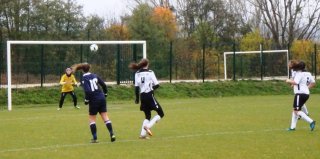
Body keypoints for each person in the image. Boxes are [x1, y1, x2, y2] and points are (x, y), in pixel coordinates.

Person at [71, 63, 116, 143]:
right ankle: (112, 133)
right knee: (105, 117)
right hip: (101, 97)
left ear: (82, 70)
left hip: (93, 99)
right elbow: (104, 85)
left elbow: (88, 91)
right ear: (89, 68)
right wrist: (105, 93)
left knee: (92, 119)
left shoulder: (84, 78)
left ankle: (95, 138)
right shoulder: (95, 75)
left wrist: (86, 100)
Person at [129, 58, 165, 139]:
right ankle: (148, 126)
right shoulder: (150, 72)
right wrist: (151, 88)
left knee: (147, 116)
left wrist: (137, 99)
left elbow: (136, 88)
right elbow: (157, 85)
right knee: (161, 113)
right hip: (149, 95)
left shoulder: (137, 73)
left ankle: (142, 135)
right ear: (147, 64)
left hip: (142, 97)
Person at [286, 61, 316, 131]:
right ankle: (292, 127)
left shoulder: (299, 73)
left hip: (300, 94)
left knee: (296, 110)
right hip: (306, 94)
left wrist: (288, 80)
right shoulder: (307, 73)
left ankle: (311, 121)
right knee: (295, 110)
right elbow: (313, 83)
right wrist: (306, 88)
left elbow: (295, 82)